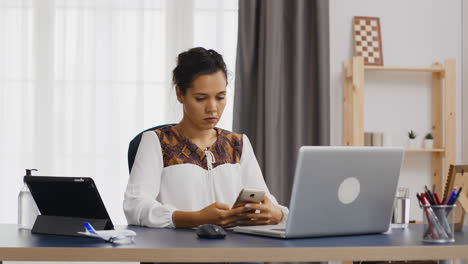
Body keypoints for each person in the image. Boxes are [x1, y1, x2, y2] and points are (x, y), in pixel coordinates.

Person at [123, 47, 288, 228]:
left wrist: (277, 214)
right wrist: (195, 218)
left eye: (220, 97)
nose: (213, 108)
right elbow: (135, 206)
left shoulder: (238, 144)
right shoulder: (156, 142)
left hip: (234, 251)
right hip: (179, 252)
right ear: (180, 94)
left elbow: (266, 201)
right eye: (201, 98)